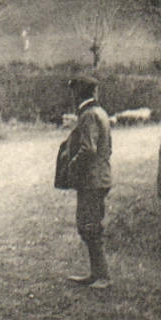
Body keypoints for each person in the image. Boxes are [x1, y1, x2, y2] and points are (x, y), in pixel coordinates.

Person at [59, 72, 113, 289]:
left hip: (92, 181)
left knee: (89, 226)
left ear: (80, 92)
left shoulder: (89, 115)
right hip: (99, 178)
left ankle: (102, 277)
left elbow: (88, 149)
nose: (72, 96)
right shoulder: (99, 112)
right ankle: (96, 274)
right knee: (90, 225)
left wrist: (72, 165)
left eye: (74, 91)